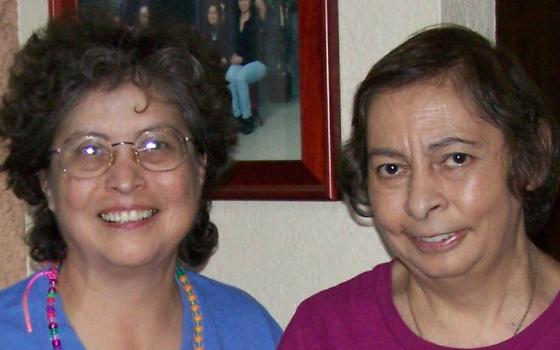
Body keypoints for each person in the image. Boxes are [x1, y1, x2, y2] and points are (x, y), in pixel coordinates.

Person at [0, 14, 281, 349]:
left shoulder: (251, 332)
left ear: (200, 167)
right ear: (45, 181)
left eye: (156, 145)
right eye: (89, 149)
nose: (125, 179)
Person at [278, 25, 560, 349]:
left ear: (532, 159)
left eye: (456, 159)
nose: (420, 202)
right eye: (392, 168)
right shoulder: (327, 331)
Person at [226, 0, 267, 135]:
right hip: (241, 63)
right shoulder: (236, 20)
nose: (243, 3)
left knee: (240, 78)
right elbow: (235, 45)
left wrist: (242, 58)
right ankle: (237, 116)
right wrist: (232, 57)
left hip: (257, 62)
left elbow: (256, 49)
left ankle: (247, 117)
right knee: (230, 76)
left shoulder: (257, 17)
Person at [201, 1, 232, 67]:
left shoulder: (225, 30)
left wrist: (225, 59)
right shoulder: (204, 31)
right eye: (209, 13)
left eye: (214, 13)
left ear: (219, 15)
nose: (211, 16)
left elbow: (228, 52)